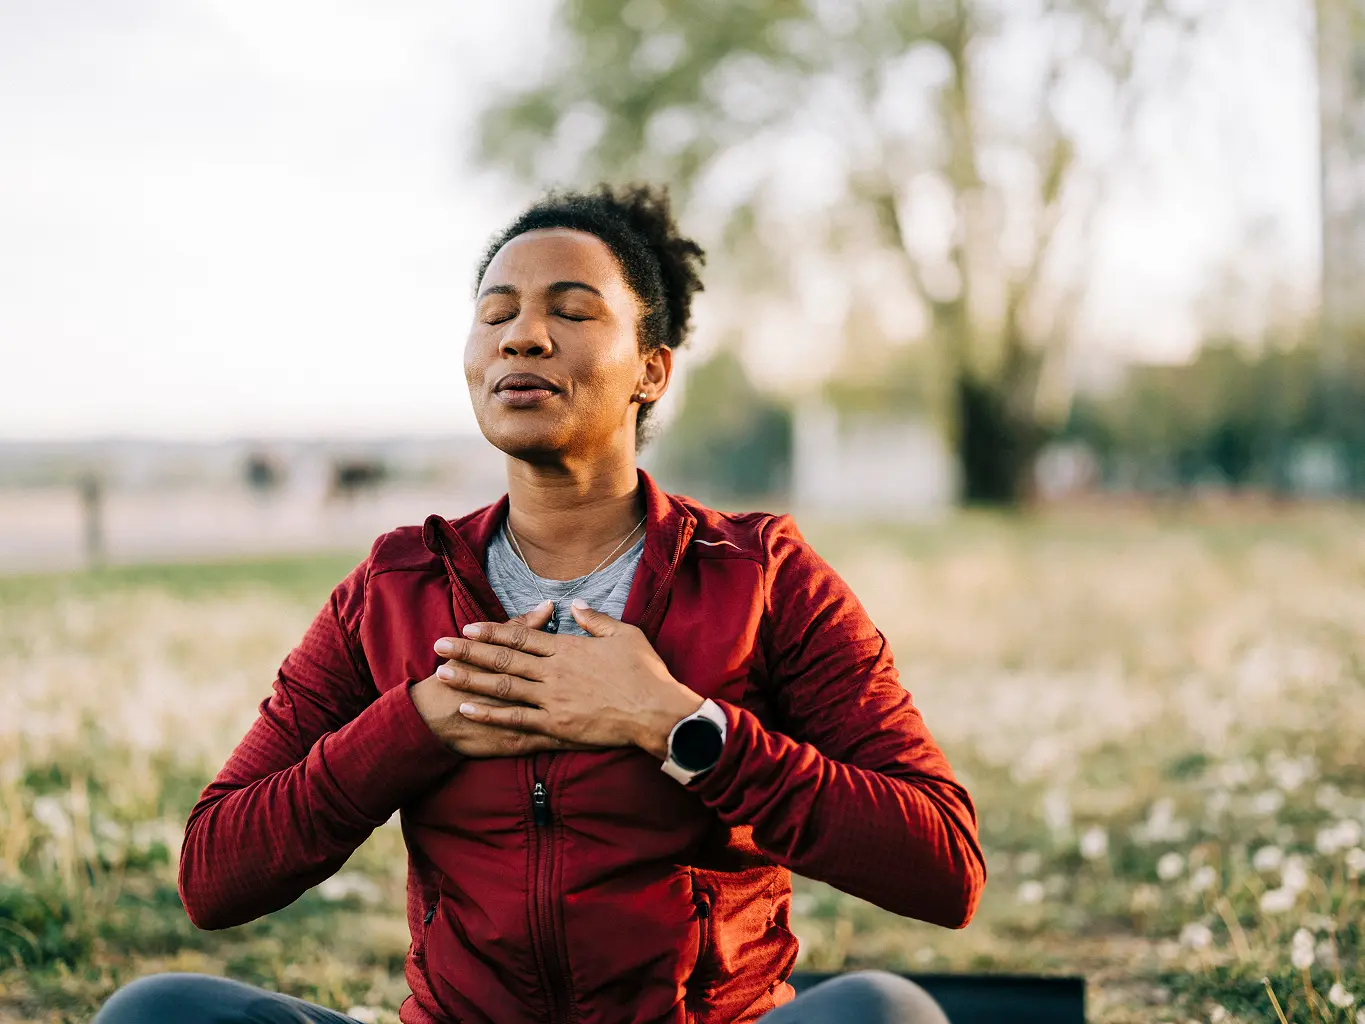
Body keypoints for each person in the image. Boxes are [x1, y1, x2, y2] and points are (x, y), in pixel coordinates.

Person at [93, 185, 986, 1024]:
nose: (521, 337)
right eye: (495, 314)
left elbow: (944, 867)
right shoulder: (395, 587)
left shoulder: (761, 576)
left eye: (571, 310)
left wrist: (678, 725)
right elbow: (213, 875)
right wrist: (413, 728)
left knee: (884, 1012)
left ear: (651, 371)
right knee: (156, 1014)